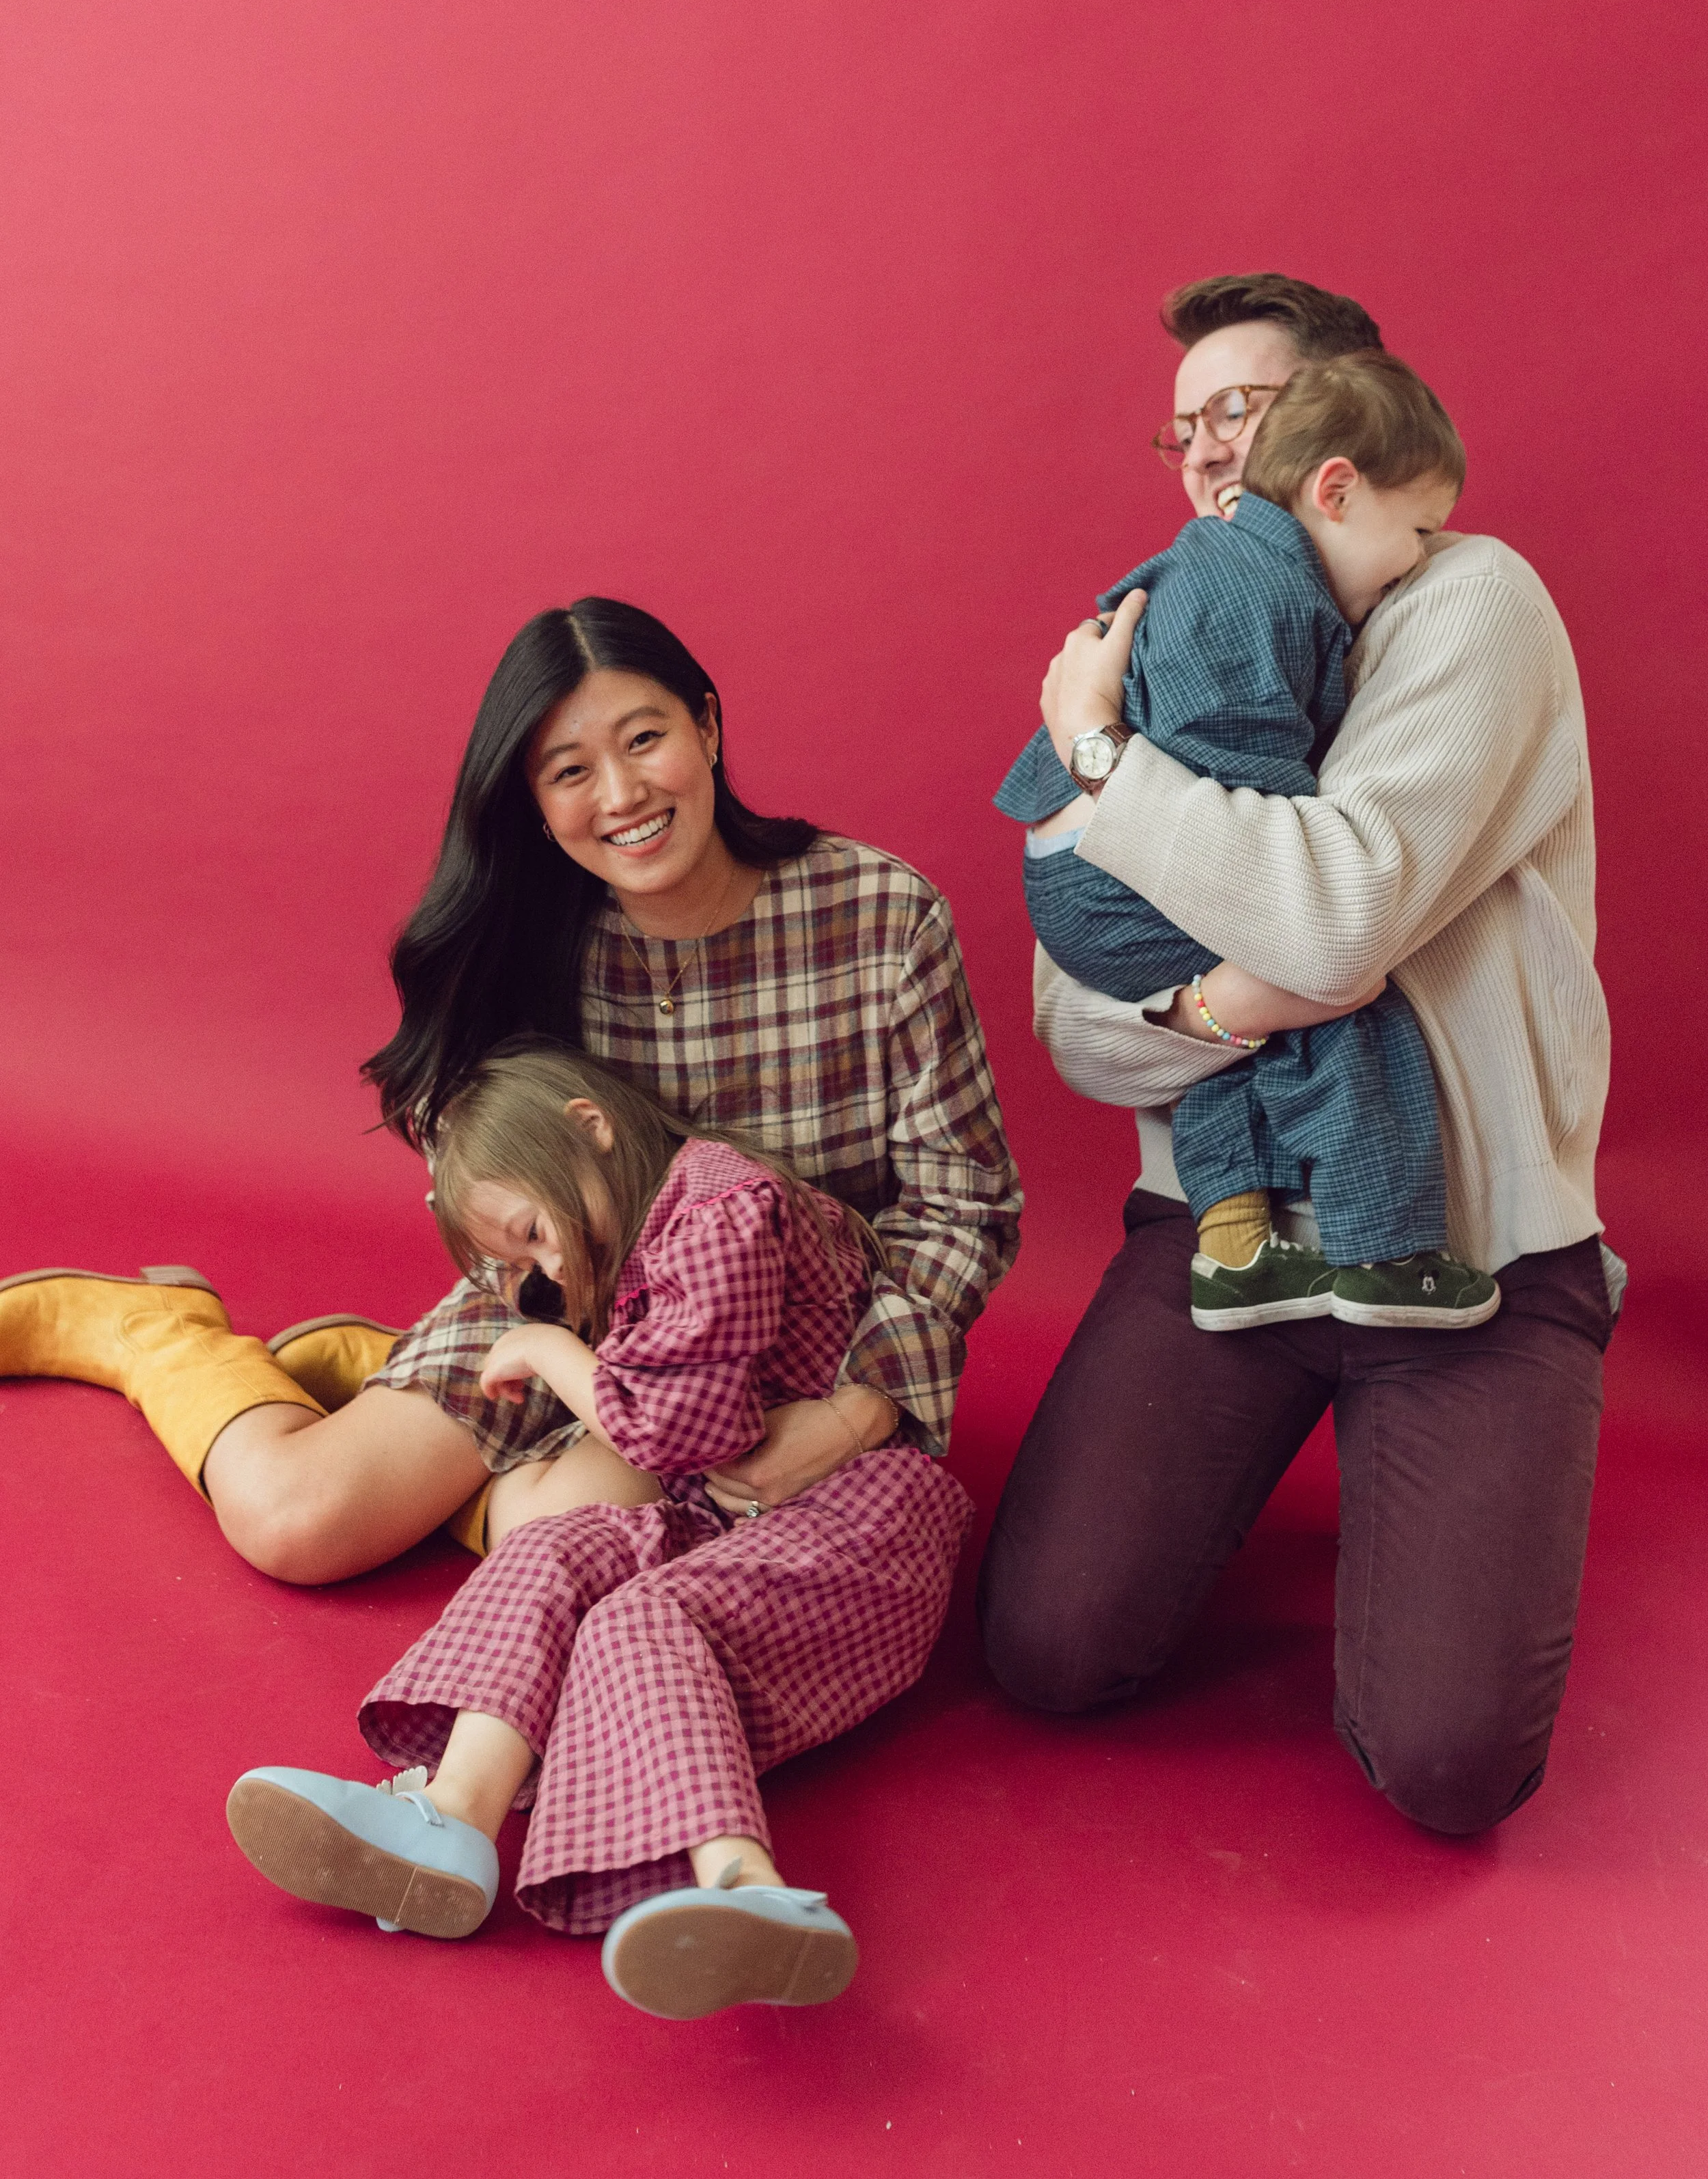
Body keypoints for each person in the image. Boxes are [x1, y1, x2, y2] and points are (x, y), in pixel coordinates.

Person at [0, 601, 1019, 1582]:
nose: (621, 796)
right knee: (291, 1524)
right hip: (555, 1313)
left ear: (706, 726)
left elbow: (963, 1209)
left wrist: (859, 1408)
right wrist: (535, 1286)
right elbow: (469, 1147)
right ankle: (147, 1331)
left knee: (609, 1552)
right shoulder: (526, 930)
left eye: (645, 739)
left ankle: (373, 1375)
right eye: (570, 772)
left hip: (791, 1353)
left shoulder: (882, 915)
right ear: (533, 802)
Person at [979, 271, 1614, 1837]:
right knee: (1048, 1648)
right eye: (1180, 429)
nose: (1203, 458)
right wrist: (1219, 1010)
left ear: (1339, 427)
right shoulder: (1171, 625)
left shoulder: (1465, 600)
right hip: (1216, 1225)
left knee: (1448, 1767)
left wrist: (1102, 757)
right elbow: (1071, 1026)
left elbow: (1334, 921)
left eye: (1238, 412)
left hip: (1471, 1253)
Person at [227, 1045, 971, 2019]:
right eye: (522, 1268)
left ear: (591, 1126)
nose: (549, 1270)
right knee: (552, 1545)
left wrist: (546, 1346)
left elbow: (681, 1430)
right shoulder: (652, 1237)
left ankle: (745, 1891)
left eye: (537, 1234)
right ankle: (450, 1821)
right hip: (728, 1518)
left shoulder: (719, 1210)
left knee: (635, 1623)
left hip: (861, 1529)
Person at [994, 351, 1498, 1331]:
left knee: (1254, 1023)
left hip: (1090, 874)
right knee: (1350, 1006)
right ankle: (1391, 1252)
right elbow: (1231, 752)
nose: (1422, 556)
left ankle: (1234, 1248)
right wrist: (1289, 861)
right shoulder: (1251, 587)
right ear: (1337, 489)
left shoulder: (1242, 565)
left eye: (1238, 410)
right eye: (1418, 531)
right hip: (1106, 883)